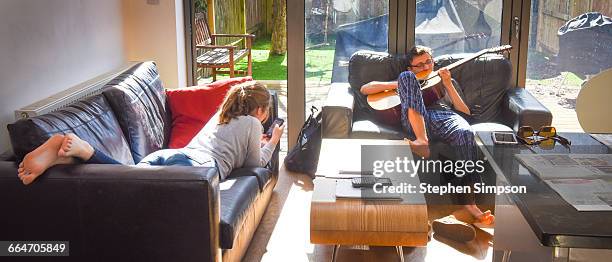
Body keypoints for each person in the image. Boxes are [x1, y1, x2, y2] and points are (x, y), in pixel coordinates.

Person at [17, 81, 284, 185]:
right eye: (265, 111)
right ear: (259, 109)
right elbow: (254, 164)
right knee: (129, 183)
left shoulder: (222, 115)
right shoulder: (253, 124)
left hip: (174, 156)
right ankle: (85, 149)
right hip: (197, 168)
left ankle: (71, 156)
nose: (265, 116)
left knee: (127, 179)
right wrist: (271, 141)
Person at [360, 46, 494, 235]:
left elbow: (464, 113)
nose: (425, 66)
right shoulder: (405, 78)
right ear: (410, 67)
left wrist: (447, 84)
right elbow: (366, 88)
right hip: (414, 121)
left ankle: (468, 205)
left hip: (443, 116)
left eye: (428, 62)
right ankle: (422, 141)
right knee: (407, 81)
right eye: (419, 64)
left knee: (465, 132)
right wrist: (401, 84)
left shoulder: (444, 80)